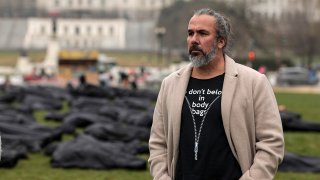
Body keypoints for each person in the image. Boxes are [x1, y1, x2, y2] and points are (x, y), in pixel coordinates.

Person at [148, 8, 284, 180]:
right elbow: (158, 143)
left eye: (203, 34)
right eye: (190, 33)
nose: (194, 40)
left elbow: (271, 143)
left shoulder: (253, 82)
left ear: (221, 41)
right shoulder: (170, 84)